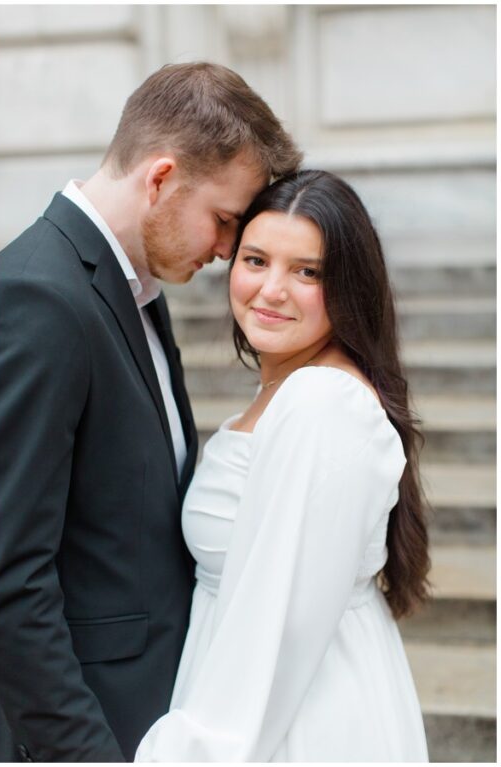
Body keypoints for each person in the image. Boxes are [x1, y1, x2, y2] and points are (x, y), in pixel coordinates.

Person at [0, 62, 301, 761]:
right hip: (93, 732)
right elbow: (9, 576)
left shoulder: (136, 292)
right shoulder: (39, 297)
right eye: (224, 221)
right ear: (159, 178)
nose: (228, 252)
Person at [135, 170, 430, 761]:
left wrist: (192, 752)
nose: (271, 290)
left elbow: (281, 633)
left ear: (349, 287)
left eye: (307, 272)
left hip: (297, 722)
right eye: (256, 260)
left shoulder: (322, 404)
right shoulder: (291, 390)